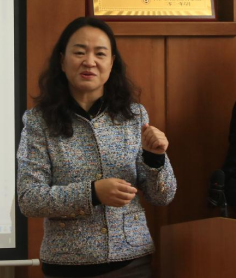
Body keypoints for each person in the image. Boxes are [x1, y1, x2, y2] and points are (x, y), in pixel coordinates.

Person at [17, 17, 177, 278]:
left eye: (100, 54)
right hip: (66, 265)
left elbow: (163, 196)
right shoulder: (38, 122)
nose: (89, 61)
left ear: (111, 63)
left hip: (131, 264)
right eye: (79, 52)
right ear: (62, 61)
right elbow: (29, 199)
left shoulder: (134, 116)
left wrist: (156, 158)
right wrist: (92, 193)